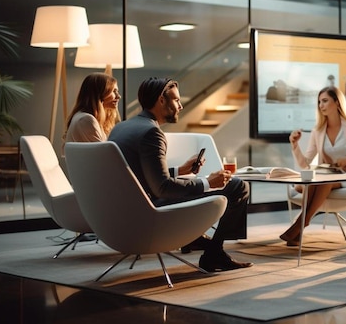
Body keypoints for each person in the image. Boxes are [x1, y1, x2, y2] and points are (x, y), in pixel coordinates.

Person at [108, 77, 252, 272]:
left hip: (126, 211)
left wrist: (181, 170)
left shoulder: (122, 127)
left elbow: (139, 175)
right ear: (161, 100)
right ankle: (214, 253)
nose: (181, 106)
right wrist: (208, 182)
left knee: (221, 184)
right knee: (238, 187)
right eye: (176, 100)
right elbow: (163, 188)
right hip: (150, 210)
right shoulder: (152, 133)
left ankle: (198, 241)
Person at [283, 86, 346, 246]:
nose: (321, 105)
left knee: (321, 182)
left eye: (325, 101)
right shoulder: (318, 131)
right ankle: (302, 225)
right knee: (319, 180)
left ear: (337, 102)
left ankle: (300, 224)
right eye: (319, 102)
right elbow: (305, 163)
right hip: (328, 176)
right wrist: (294, 145)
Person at [64, 73, 120, 143]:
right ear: (100, 93)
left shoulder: (92, 119)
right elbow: (103, 153)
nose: (118, 96)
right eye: (114, 91)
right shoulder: (86, 120)